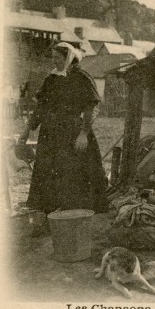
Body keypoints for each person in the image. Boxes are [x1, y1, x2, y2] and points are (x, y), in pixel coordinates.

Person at [19, 42, 108, 234]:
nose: (55, 62)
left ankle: (76, 217)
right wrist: (27, 130)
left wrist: (84, 133)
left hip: (74, 133)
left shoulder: (82, 78)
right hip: (51, 135)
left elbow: (90, 107)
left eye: (58, 58)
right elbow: (41, 108)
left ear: (68, 58)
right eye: (53, 58)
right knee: (48, 171)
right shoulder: (51, 79)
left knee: (74, 173)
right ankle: (50, 216)